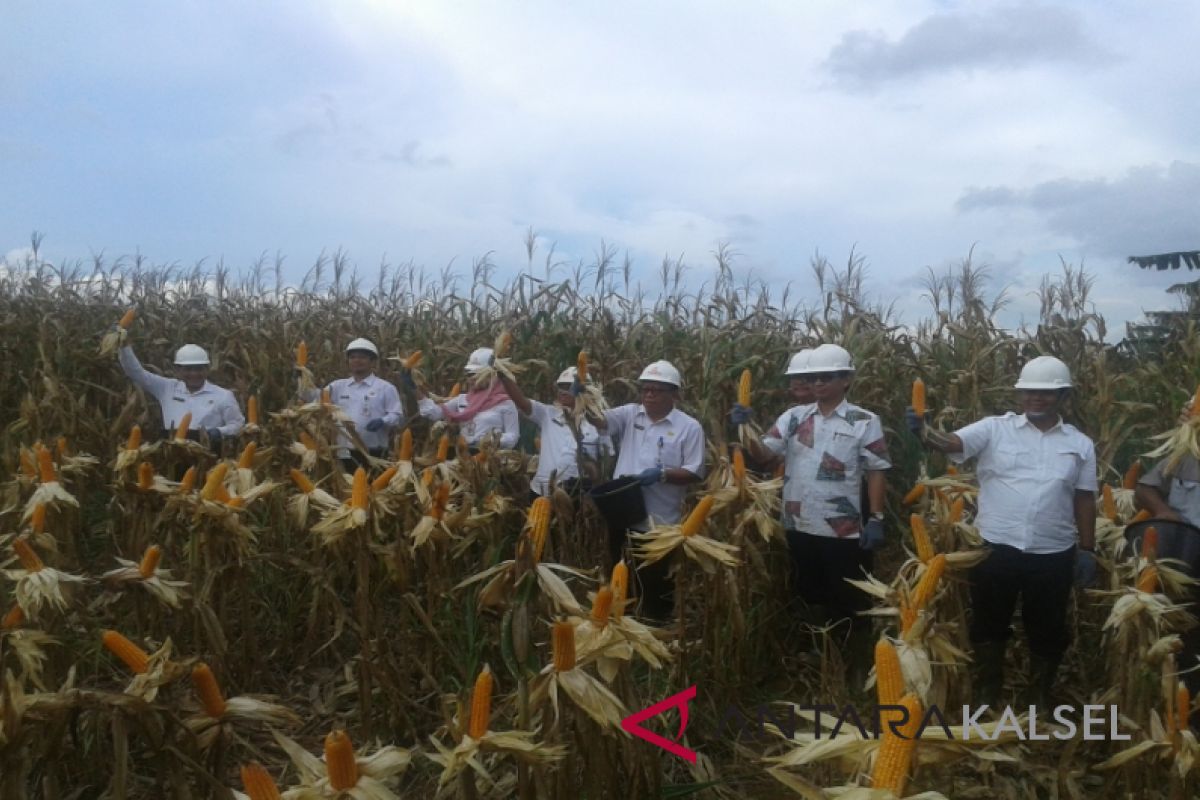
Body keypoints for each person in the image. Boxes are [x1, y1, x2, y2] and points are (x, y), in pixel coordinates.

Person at [907, 355, 1098, 707]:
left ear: (1063, 396)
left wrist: (1088, 549)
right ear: (1019, 395)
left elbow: (1085, 498)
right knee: (988, 621)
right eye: (1027, 392)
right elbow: (950, 443)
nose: (1034, 399)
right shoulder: (994, 428)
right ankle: (988, 690)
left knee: (1048, 628)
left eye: (1044, 393)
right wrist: (924, 430)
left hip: (1052, 551)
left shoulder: (1080, 444)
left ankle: (1039, 696)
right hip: (995, 546)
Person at [739, 344, 890, 671]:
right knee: (810, 590)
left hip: (844, 526)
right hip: (798, 520)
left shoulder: (864, 420)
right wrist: (744, 428)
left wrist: (877, 517)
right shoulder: (793, 417)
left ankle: (853, 658)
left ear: (846, 380)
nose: (819, 383)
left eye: (827, 377)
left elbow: (876, 469)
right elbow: (764, 457)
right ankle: (816, 653)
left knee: (848, 594)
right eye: (814, 378)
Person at [590, 359, 705, 618]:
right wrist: (583, 400)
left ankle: (656, 629)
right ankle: (623, 626)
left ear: (674, 394)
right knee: (620, 577)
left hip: (660, 523)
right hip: (623, 513)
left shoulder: (689, 427)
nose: (649, 395)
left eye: (657, 390)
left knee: (655, 585)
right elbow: (598, 421)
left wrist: (662, 474)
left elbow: (695, 472)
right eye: (645, 389)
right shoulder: (630, 414)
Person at [496, 366, 612, 499]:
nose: (562, 391)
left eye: (568, 387)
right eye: (560, 387)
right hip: (541, 492)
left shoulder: (599, 423)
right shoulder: (547, 413)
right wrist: (504, 377)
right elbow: (521, 402)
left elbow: (605, 465)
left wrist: (592, 470)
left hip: (578, 495)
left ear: (585, 390)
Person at [118, 340, 244, 450]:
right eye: (188, 369)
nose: (194, 374)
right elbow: (136, 373)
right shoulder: (167, 388)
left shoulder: (223, 396)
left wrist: (219, 432)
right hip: (171, 453)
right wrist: (123, 346)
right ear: (178, 370)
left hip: (206, 454)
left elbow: (237, 425)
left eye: (199, 369)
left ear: (207, 369)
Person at [314, 338, 405, 469]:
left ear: (372, 361)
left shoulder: (386, 388)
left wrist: (383, 421)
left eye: (362, 357)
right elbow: (316, 399)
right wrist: (302, 380)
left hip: (374, 452)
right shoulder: (338, 386)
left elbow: (398, 416)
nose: (357, 360)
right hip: (343, 451)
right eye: (352, 357)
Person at [417, 348, 520, 450]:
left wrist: (492, 440)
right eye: (469, 373)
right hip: (463, 456)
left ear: (492, 375)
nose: (471, 378)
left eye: (476, 374)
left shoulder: (506, 404)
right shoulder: (462, 400)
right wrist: (415, 390)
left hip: (490, 458)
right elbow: (435, 413)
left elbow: (513, 436)